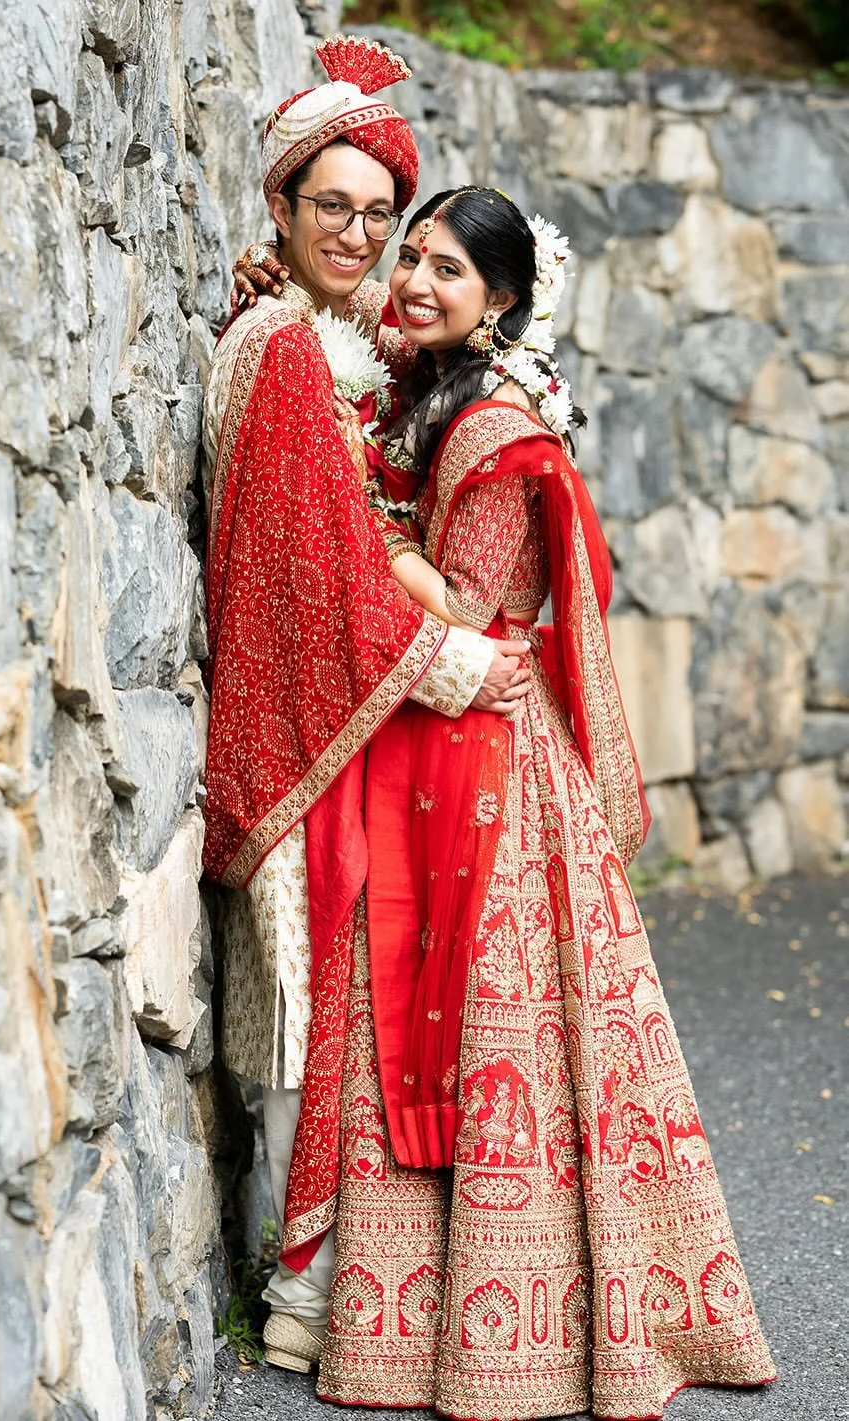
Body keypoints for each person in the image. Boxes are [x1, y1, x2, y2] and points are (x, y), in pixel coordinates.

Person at [289, 186, 776, 1419]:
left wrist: (374, 542)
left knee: (487, 1026)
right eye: (412, 258)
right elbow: (364, 353)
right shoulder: (444, 385)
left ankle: (539, 1326)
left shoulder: (495, 424)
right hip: (464, 736)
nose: (411, 283)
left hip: (486, 751)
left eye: (447, 271)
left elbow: (467, 602)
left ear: (501, 300)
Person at [201, 43, 534, 1374]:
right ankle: (294, 1306)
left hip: (307, 708)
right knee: (294, 1003)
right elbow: (311, 565)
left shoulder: (308, 339)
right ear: (277, 208)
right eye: (325, 205)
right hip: (289, 719)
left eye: (369, 214)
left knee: (318, 998)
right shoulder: (283, 351)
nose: (353, 233)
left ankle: (317, 1302)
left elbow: (349, 513)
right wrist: (459, 666)